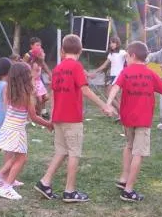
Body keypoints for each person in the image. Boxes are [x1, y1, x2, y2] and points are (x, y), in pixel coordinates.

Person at [35, 34, 114, 203]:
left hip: (58, 117)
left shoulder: (57, 69)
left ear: (62, 51)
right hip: (72, 119)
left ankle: (44, 182)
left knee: (62, 151)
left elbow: (53, 94)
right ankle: (70, 191)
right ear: (80, 50)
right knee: (74, 153)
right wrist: (104, 106)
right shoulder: (77, 67)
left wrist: (51, 116)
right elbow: (85, 90)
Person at [106, 41, 162, 202]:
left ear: (133, 56)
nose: (126, 59)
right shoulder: (151, 74)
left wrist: (108, 103)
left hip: (127, 118)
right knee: (139, 152)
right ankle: (128, 190)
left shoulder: (126, 72)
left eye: (127, 56)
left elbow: (114, 88)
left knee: (129, 146)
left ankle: (124, 178)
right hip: (143, 120)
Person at [0, 62, 53, 200]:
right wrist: (48, 124)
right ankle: (6, 187)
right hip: (16, 130)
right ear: (24, 77)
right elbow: (33, 117)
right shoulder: (26, 96)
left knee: (15, 157)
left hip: (7, 128)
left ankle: (0, 177)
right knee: (21, 158)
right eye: (29, 73)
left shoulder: (8, 90)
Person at [88, 36, 126, 111]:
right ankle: (121, 112)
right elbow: (104, 65)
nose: (111, 44)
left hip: (119, 76)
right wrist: (95, 71)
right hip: (112, 76)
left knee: (113, 95)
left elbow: (129, 57)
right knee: (111, 95)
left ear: (117, 43)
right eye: (110, 43)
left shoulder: (122, 52)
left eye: (113, 42)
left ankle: (121, 112)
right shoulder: (111, 54)